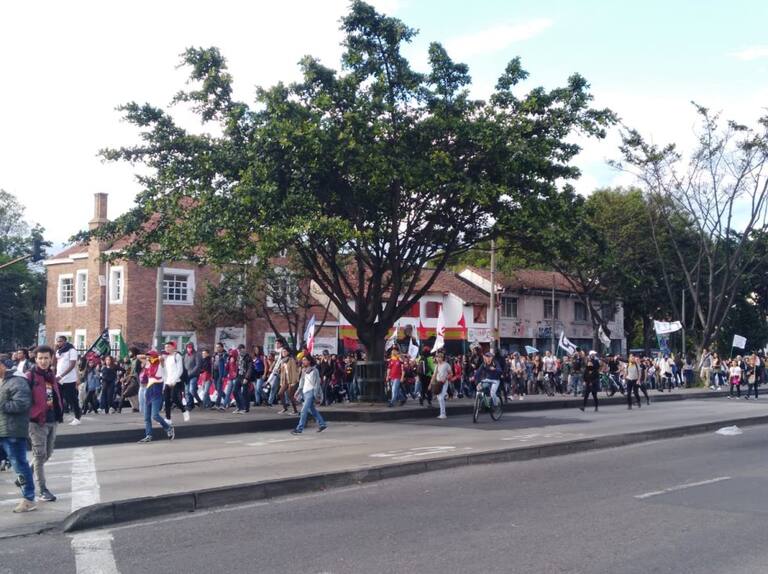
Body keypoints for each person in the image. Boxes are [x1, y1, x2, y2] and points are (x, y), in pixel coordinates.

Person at [0, 357, 36, 513]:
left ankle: (29, 499)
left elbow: (22, 404)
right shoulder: (3, 381)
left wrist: (1, 403)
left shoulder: (17, 381)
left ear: (3, 366)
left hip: (12, 431)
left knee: (19, 465)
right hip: (2, 430)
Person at [27, 345, 63, 503]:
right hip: (36, 422)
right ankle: (43, 490)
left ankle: (26, 474)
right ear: (35, 359)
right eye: (40, 358)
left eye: (46, 358)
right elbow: (24, 398)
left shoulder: (50, 375)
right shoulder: (30, 376)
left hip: (52, 419)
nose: (43, 361)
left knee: (47, 454)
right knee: (40, 456)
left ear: (51, 359)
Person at [138, 350, 174, 443]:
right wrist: (148, 357)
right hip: (149, 392)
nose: (149, 358)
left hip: (157, 393)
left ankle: (168, 428)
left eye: (150, 356)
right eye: (148, 356)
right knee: (147, 417)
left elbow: (162, 359)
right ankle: (148, 435)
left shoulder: (161, 365)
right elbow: (138, 356)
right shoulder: (148, 364)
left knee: (155, 415)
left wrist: (157, 357)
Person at [291, 355, 327, 434]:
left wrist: (316, 395)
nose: (303, 361)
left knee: (303, 411)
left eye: (305, 360)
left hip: (311, 392)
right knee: (312, 410)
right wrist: (298, 391)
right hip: (304, 392)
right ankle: (322, 424)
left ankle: (299, 428)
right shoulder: (303, 370)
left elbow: (317, 384)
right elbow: (301, 382)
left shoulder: (315, 371)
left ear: (309, 361)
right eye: (303, 360)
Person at [54, 335, 81, 426]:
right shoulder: (58, 351)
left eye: (60, 341)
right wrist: (55, 350)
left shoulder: (71, 350)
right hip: (58, 379)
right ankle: (59, 417)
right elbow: (54, 362)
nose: (59, 343)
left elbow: (72, 365)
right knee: (58, 398)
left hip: (69, 379)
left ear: (65, 341)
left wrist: (62, 375)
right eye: (58, 341)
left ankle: (77, 417)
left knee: (71, 398)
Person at [162, 341, 188, 422]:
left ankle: (184, 410)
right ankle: (168, 418)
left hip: (176, 381)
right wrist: (165, 382)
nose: (167, 349)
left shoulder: (177, 356)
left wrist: (174, 380)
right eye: (165, 347)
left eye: (168, 347)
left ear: (173, 347)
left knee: (174, 398)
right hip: (168, 381)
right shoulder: (166, 357)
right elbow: (165, 371)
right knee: (166, 400)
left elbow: (180, 370)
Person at [278, 348, 300, 415]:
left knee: (290, 395)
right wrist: (281, 381)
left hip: (291, 380)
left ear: (288, 352)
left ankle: (295, 410)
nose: (283, 353)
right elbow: (282, 373)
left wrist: (293, 382)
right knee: (280, 393)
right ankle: (285, 408)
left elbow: (294, 371)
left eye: (285, 351)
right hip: (285, 380)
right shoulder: (282, 361)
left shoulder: (291, 360)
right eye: (282, 352)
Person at [431, 351, 452, 419]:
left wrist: (445, 378)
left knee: (440, 398)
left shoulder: (446, 365)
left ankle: (443, 414)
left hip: (444, 383)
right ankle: (442, 413)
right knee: (439, 398)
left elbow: (451, 374)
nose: (438, 358)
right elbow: (434, 375)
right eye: (437, 357)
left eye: (440, 357)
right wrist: (430, 384)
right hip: (438, 383)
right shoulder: (436, 366)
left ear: (442, 358)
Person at [183, 343, 203, 410]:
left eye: (190, 347)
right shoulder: (185, 355)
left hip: (194, 375)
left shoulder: (197, 354)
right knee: (187, 391)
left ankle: (199, 401)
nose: (189, 349)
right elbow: (184, 365)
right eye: (188, 348)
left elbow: (198, 365)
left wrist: (191, 373)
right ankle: (190, 404)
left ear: (193, 348)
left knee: (192, 390)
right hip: (186, 375)